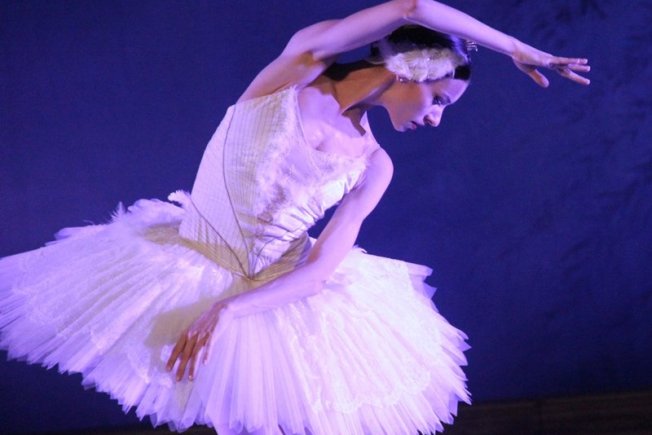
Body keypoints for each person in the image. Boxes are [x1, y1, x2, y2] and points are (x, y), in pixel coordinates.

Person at [0, 1, 589, 434]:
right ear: (413, 69)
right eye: (439, 100)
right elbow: (411, 6)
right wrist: (517, 47)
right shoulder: (296, 73)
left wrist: (229, 310)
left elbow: (318, 272)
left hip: (275, 295)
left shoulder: (374, 166)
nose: (436, 118)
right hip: (187, 262)